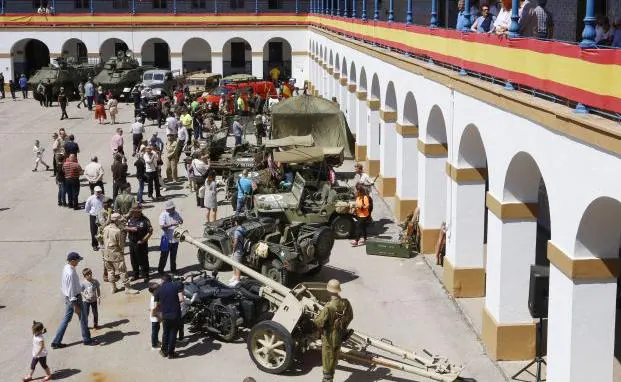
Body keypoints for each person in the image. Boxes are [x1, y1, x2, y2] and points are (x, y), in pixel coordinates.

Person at [313, 279, 354, 382]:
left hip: (328, 338)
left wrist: (320, 332)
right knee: (334, 357)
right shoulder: (346, 303)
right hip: (339, 335)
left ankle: (327, 380)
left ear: (329, 290)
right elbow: (350, 316)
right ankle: (330, 378)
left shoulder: (328, 307)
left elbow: (318, 322)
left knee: (327, 360)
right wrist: (343, 327)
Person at [51, 252, 94, 348]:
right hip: (74, 299)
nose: (79, 261)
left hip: (68, 298)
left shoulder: (66, 267)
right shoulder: (70, 273)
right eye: (78, 260)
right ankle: (87, 339)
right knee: (83, 318)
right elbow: (71, 289)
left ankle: (56, 342)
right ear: (73, 261)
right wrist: (75, 305)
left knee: (66, 319)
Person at [103, 213, 139, 294]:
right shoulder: (117, 231)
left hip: (106, 253)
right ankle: (127, 288)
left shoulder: (105, 228)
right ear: (116, 221)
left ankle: (113, 288)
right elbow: (121, 245)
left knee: (110, 271)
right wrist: (121, 253)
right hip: (116, 253)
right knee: (122, 271)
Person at [152, 274, 183, 358]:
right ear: (170, 280)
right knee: (173, 333)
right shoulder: (176, 286)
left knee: (166, 333)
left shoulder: (158, 290)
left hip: (165, 315)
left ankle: (164, 351)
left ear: (162, 281)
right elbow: (181, 299)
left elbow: (155, 306)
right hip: (176, 314)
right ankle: (171, 353)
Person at [126, 206, 153, 282]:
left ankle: (146, 275)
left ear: (139, 212)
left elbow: (150, 232)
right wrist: (130, 229)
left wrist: (143, 240)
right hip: (132, 242)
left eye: (134, 212)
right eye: (132, 211)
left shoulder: (145, 220)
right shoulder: (130, 218)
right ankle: (136, 275)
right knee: (133, 259)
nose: (133, 213)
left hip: (141, 243)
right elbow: (124, 227)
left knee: (143, 260)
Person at [158, 201, 183, 274]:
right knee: (164, 256)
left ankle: (173, 269)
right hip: (166, 239)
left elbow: (181, 220)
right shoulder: (163, 215)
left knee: (173, 256)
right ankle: (160, 270)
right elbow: (162, 226)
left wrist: (180, 221)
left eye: (174, 207)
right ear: (168, 209)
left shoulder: (175, 213)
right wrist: (171, 224)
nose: (174, 208)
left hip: (175, 238)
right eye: (172, 208)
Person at [85, 185, 105, 251]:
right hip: (93, 216)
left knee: (103, 230)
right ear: (94, 192)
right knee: (94, 231)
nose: (98, 193)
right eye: (97, 192)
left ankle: (103, 243)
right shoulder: (90, 198)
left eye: (99, 191)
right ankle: (94, 245)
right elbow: (87, 208)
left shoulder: (103, 197)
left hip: (101, 216)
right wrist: (91, 213)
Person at [229, 215, 246, 286]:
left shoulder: (237, 231)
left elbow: (235, 242)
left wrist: (233, 249)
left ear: (236, 222)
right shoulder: (243, 228)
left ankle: (237, 280)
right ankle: (235, 276)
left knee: (237, 265)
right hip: (241, 249)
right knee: (233, 263)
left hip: (238, 250)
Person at [148, 282, 162, 350]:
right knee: (155, 331)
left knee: (157, 330)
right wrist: (159, 317)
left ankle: (156, 341)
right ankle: (154, 345)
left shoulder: (155, 296)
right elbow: (153, 311)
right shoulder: (154, 299)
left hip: (156, 317)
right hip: (155, 318)